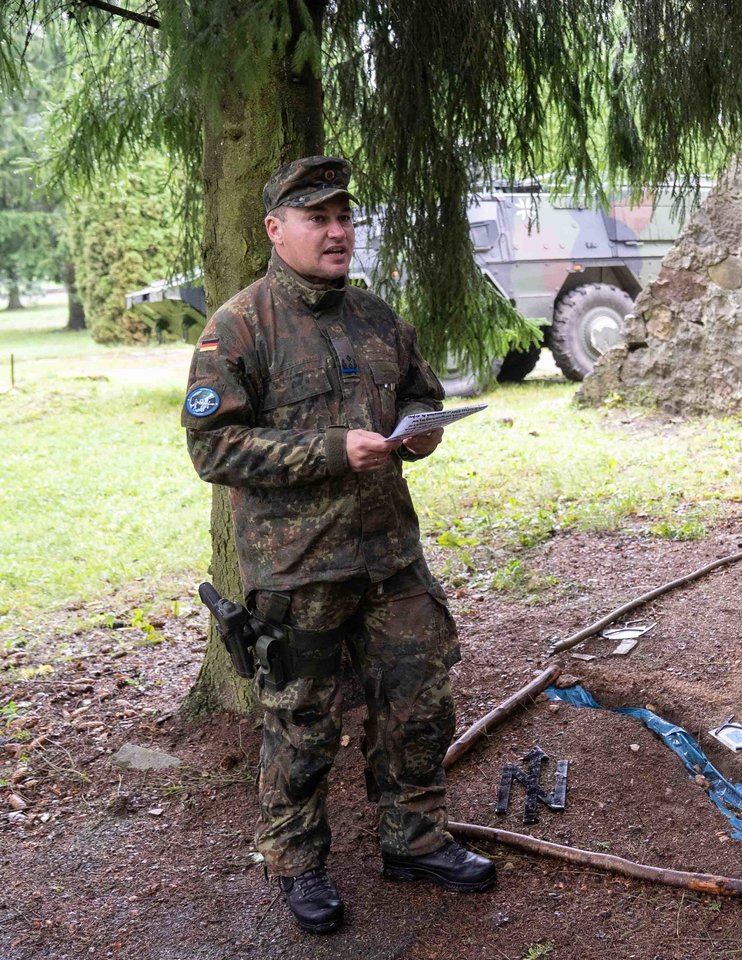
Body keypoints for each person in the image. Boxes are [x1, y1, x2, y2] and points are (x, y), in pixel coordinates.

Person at [181, 156, 495, 934]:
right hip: (299, 569)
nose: (336, 232)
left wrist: (421, 431)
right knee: (302, 724)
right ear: (275, 229)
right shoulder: (239, 326)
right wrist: (329, 451)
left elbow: (421, 392)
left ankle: (415, 840)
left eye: (344, 217)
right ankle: (297, 863)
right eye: (317, 218)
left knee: (418, 703)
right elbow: (212, 449)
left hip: (391, 557)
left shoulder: (377, 317)